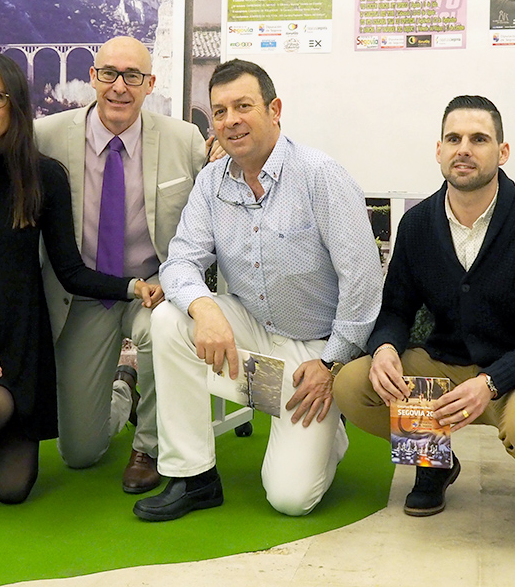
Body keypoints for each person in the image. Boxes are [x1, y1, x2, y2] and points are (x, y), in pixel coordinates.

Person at [0, 53, 161, 504]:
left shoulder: (44, 176)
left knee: (13, 490)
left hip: (17, 337)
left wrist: (132, 287)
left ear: (16, 102)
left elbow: (70, 270)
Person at [133, 59, 384, 521]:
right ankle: (194, 476)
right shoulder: (211, 183)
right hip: (252, 336)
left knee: (290, 500)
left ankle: (329, 425)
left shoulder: (319, 175)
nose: (230, 120)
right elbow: (181, 260)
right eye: (220, 110)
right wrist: (204, 308)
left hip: (314, 353)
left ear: (274, 109)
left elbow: (363, 280)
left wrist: (331, 363)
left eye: (243, 106)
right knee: (170, 318)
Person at [333, 95, 515, 526]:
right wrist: (386, 347)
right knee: (354, 384)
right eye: (454, 138)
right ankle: (434, 462)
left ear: (502, 153)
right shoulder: (417, 224)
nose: (464, 148)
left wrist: (491, 382)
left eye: (479, 138)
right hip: (444, 368)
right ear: (439, 151)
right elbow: (395, 309)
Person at [34, 36, 210, 494]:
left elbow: (215, 203)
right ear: (92, 77)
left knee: (162, 329)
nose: (119, 87)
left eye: (133, 76)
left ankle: (148, 446)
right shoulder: (45, 137)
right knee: (79, 453)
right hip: (83, 291)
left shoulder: (183, 139)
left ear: (150, 83)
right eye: (108, 74)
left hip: (152, 286)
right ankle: (123, 389)